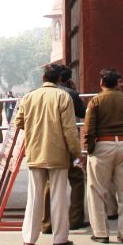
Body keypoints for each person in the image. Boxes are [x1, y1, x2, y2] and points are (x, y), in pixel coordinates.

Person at [14, 64, 81, 245]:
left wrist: (34, 127)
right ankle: (59, 238)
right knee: (59, 196)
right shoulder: (62, 96)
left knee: (34, 196)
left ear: (43, 78)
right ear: (60, 79)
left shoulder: (29, 97)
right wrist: (76, 152)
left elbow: (18, 121)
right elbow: (69, 129)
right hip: (58, 153)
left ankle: (29, 237)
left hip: (35, 151)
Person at [84, 68, 123, 245]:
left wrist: (89, 149)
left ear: (101, 83)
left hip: (102, 145)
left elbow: (89, 128)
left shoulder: (96, 101)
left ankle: (101, 232)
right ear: (118, 83)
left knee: (97, 191)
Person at [42, 67, 88, 232]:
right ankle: (75, 219)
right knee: (76, 179)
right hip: (67, 144)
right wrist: (77, 152)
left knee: (49, 182)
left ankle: (46, 223)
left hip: (45, 143)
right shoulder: (69, 94)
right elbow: (81, 114)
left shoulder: (35, 93)